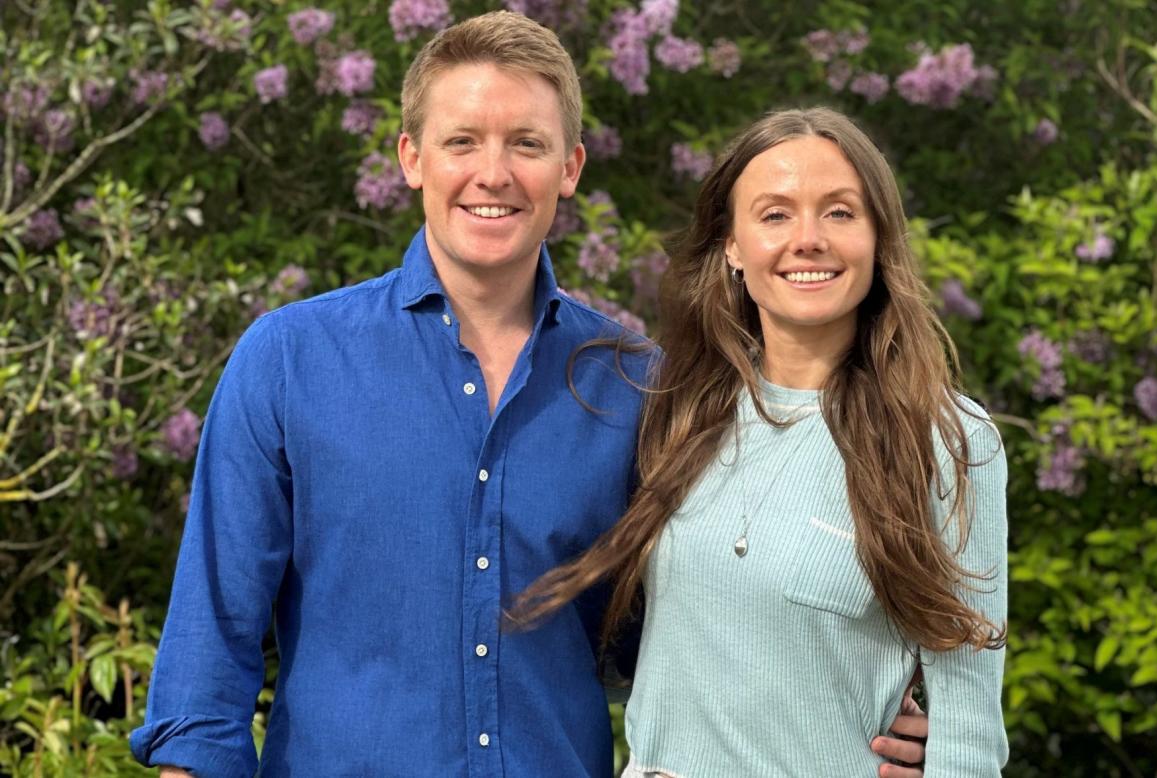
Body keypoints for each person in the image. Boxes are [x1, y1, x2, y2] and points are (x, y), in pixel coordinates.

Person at [130, 12, 929, 777]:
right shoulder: (289, 360)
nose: (493, 173)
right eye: (462, 142)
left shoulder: (639, 383)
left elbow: (709, 616)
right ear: (412, 158)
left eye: (526, 144)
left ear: (570, 168)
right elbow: (211, 646)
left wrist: (875, 715)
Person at [513, 107, 1008, 777]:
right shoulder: (672, 409)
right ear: (732, 246)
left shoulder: (946, 440)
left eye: (839, 212)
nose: (807, 239)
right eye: (774, 215)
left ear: (878, 237)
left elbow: (967, 734)